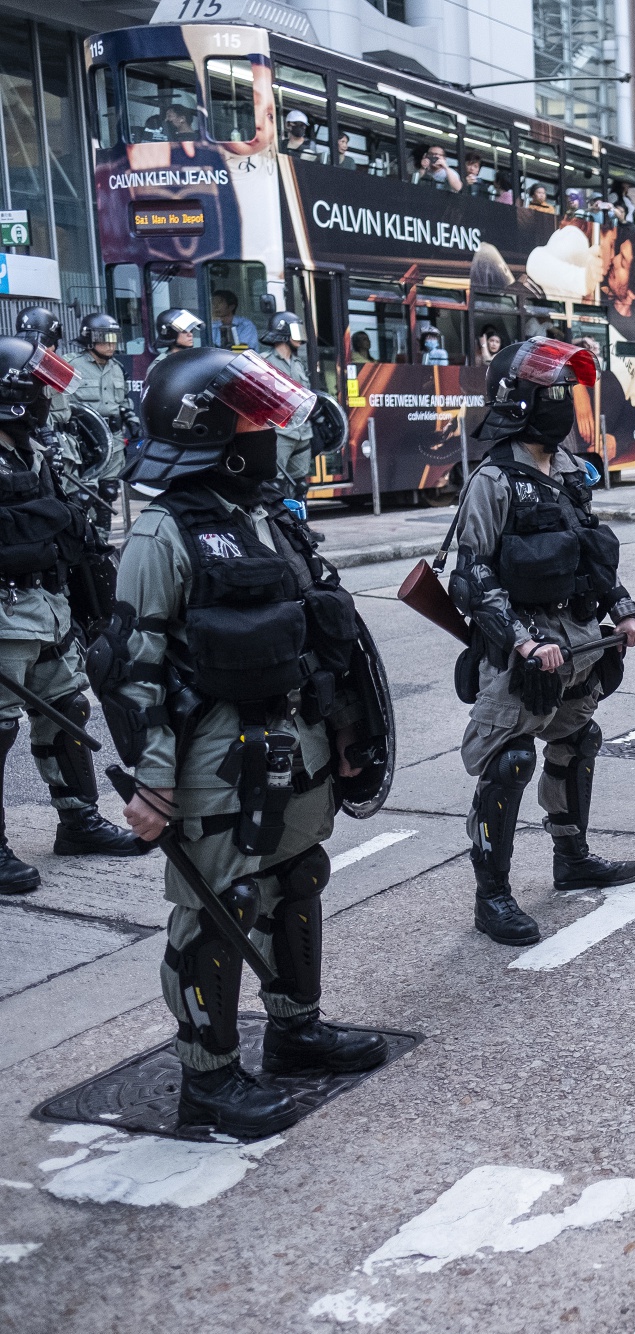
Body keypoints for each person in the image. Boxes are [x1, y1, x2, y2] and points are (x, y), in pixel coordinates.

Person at [100, 345, 393, 1138]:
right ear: (220, 439)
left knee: (298, 879)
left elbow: (318, 635)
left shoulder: (262, 516)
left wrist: (342, 735)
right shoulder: (165, 534)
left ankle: (296, 1032)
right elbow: (134, 667)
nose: (273, 434)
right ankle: (209, 1079)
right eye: (257, 422)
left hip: (291, 742)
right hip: (214, 762)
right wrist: (154, 783)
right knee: (218, 909)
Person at [448, 338, 635, 947]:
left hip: (578, 640)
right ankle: (493, 897)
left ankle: (572, 858)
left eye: (568, 392)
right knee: (509, 763)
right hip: (521, 648)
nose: (563, 405)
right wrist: (521, 642)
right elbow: (472, 574)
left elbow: (592, 552)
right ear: (519, 400)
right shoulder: (493, 478)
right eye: (551, 393)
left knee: (576, 739)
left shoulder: (565, 472)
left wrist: (623, 611)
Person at [0, 337, 149, 896]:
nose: (47, 399)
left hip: (45, 605)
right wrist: (48, 516)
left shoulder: (30, 450)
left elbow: (61, 532)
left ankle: (78, 821)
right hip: (4, 610)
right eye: (38, 389)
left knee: (67, 707)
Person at [71, 313, 141, 487]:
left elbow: (123, 401)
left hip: (114, 440)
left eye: (114, 339)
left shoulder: (117, 368)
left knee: (109, 490)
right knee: (85, 493)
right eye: (105, 339)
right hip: (85, 441)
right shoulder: (72, 366)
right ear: (89, 340)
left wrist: (132, 420)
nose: (111, 345)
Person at [258, 312, 317, 500]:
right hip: (280, 433)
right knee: (275, 484)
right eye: (296, 331)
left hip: (303, 433)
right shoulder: (265, 362)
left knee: (300, 485)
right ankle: (279, 526)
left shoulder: (298, 363)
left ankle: (300, 527)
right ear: (283, 333)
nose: (300, 337)